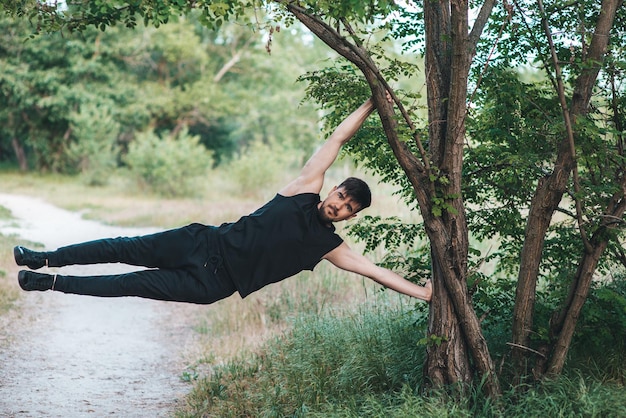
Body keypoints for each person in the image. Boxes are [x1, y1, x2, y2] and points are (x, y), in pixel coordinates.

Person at [14, 95, 432, 304]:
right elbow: (337, 138)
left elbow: (376, 272)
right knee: (121, 248)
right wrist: (374, 100)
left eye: (346, 209)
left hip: (213, 283)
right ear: (335, 188)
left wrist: (425, 294)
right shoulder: (304, 189)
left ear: (349, 218)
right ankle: (43, 257)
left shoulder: (329, 247)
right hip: (202, 241)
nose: (338, 205)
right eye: (340, 195)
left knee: (130, 283)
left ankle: (45, 283)